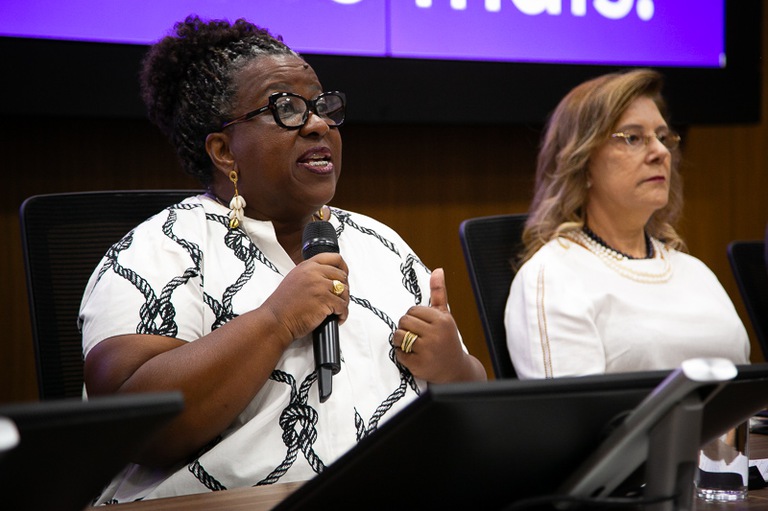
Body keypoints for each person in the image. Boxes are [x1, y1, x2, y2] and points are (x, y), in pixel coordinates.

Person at [78, 15, 486, 504]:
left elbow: (472, 394)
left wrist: (455, 367)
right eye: (287, 109)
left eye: (322, 106)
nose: (317, 123)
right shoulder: (162, 249)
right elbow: (128, 429)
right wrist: (275, 320)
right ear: (225, 151)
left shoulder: (381, 243)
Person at [504, 68, 749, 379]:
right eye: (633, 138)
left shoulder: (694, 271)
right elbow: (575, 420)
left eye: (663, 138)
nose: (660, 152)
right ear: (582, 163)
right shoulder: (553, 277)